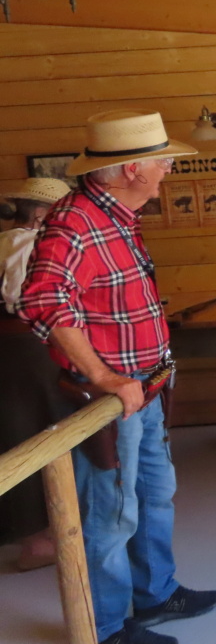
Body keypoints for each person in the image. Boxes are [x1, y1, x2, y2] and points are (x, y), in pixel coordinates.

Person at [18, 110, 216, 644]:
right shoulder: (77, 220)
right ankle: (107, 629)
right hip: (112, 396)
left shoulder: (115, 215)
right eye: (162, 161)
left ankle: (155, 593)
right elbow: (41, 299)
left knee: (155, 494)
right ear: (132, 169)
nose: (168, 171)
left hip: (143, 389)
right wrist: (104, 377)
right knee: (110, 515)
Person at [0, 177, 70, 571]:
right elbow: (22, 301)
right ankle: (37, 540)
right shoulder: (26, 245)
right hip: (26, 351)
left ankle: (39, 534)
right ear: (42, 214)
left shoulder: (6, 241)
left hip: (15, 352)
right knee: (32, 432)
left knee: (19, 432)